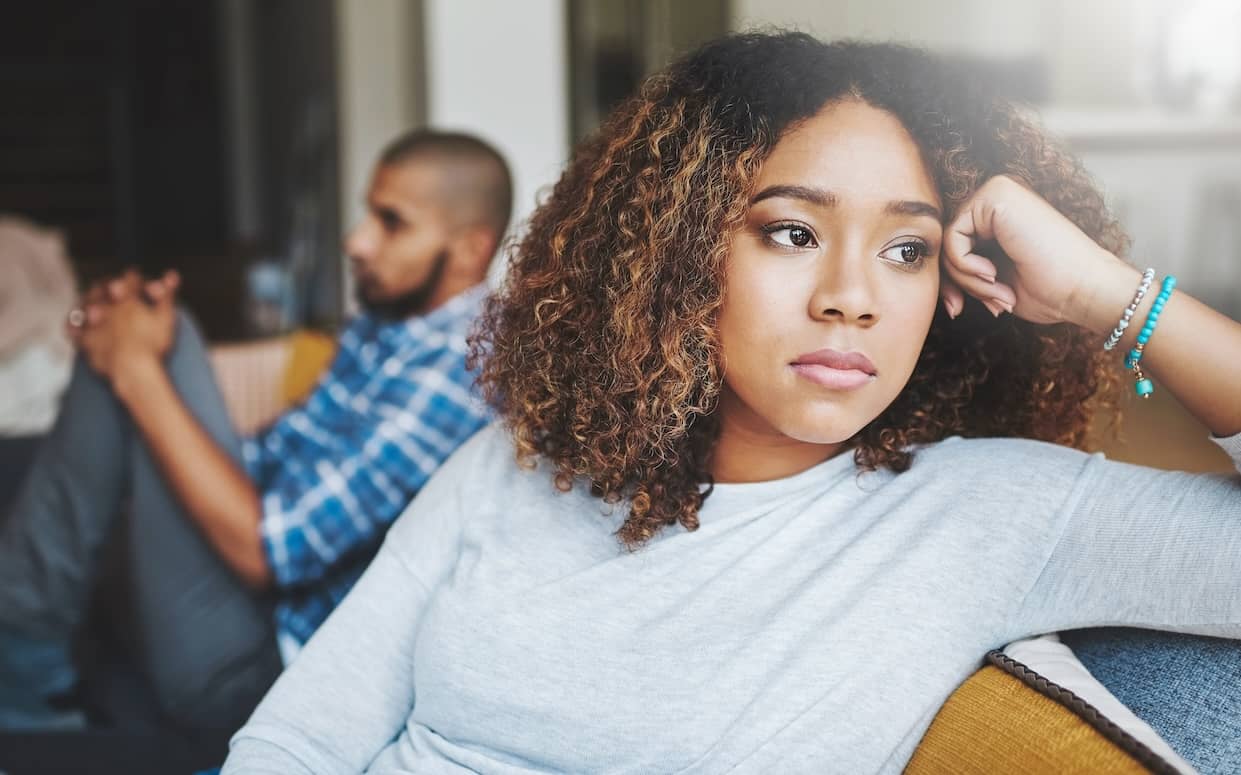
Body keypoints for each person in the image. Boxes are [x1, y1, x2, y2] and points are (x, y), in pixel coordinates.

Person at [223, 33, 1241, 774]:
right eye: (792, 232)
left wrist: (1114, 297)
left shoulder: (991, 515)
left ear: (948, 290)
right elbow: (299, 738)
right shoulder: (512, 461)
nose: (849, 293)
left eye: (905, 249)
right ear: (677, 257)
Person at [0, 130, 512, 744]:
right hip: (245, 601)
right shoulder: (392, 326)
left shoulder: (458, 368)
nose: (357, 241)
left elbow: (272, 553)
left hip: (263, 663)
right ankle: (22, 665)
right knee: (143, 332)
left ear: (468, 249)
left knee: (161, 342)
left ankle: (20, 673)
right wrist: (143, 384)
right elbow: (269, 455)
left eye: (391, 222)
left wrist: (138, 371)